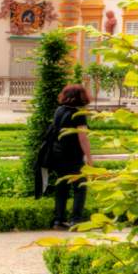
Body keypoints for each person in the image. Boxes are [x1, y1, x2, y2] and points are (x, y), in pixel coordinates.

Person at [44, 83, 93, 229]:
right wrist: (89, 157)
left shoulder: (59, 110)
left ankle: (58, 221)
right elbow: (82, 138)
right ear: (81, 97)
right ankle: (76, 220)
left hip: (57, 153)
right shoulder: (78, 114)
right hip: (73, 156)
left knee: (62, 187)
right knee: (80, 187)